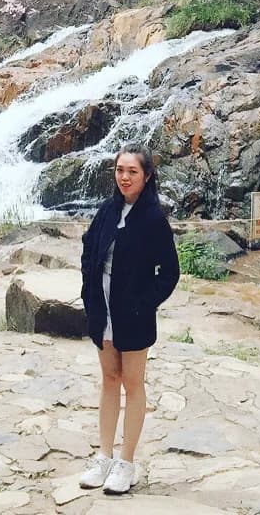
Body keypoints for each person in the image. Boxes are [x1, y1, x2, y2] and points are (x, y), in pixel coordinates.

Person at [79, 143, 180, 495]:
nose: (124, 177)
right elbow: (89, 249)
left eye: (132, 171)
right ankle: (103, 456)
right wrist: (88, 292)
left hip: (133, 314)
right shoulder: (108, 210)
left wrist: (144, 303)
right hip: (102, 306)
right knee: (109, 378)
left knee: (132, 383)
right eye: (120, 170)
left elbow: (169, 272)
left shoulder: (153, 218)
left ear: (146, 175)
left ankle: (126, 462)